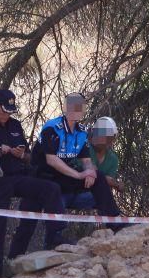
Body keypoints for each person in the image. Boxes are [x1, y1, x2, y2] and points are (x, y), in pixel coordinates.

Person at [0, 89, 66, 275]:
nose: (8, 114)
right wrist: (0, 151)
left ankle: (54, 239)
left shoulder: (15, 125)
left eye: (11, 110)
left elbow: (28, 155)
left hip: (19, 175)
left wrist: (21, 154)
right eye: (4, 110)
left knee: (50, 189)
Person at [35, 93, 121, 222]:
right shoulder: (52, 127)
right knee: (54, 192)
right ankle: (53, 237)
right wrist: (79, 175)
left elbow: (86, 160)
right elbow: (51, 159)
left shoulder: (81, 132)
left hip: (66, 178)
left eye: (81, 106)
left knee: (98, 177)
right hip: (45, 176)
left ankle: (115, 222)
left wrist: (90, 171)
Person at [90, 116, 123, 193]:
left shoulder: (112, 159)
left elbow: (109, 181)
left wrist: (117, 184)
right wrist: (115, 183)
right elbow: (93, 173)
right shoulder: (86, 148)